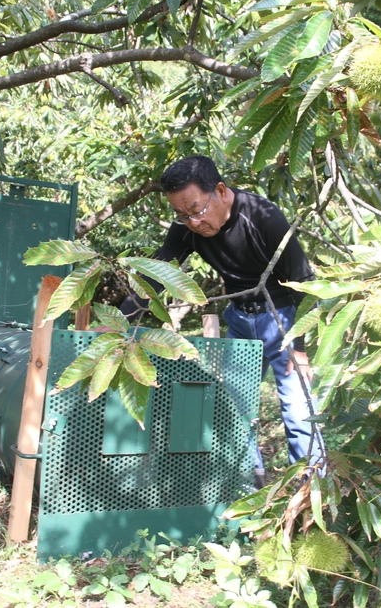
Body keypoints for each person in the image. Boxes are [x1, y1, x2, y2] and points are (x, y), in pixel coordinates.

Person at [120, 156, 325, 484]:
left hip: (283, 318)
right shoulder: (188, 227)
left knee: (299, 409)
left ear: (220, 191)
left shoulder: (263, 217)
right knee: (235, 408)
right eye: (181, 215)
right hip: (241, 321)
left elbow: (305, 283)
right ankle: (247, 485)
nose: (193, 223)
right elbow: (159, 275)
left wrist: (299, 348)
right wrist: (120, 319)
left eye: (197, 210)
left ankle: (312, 493)